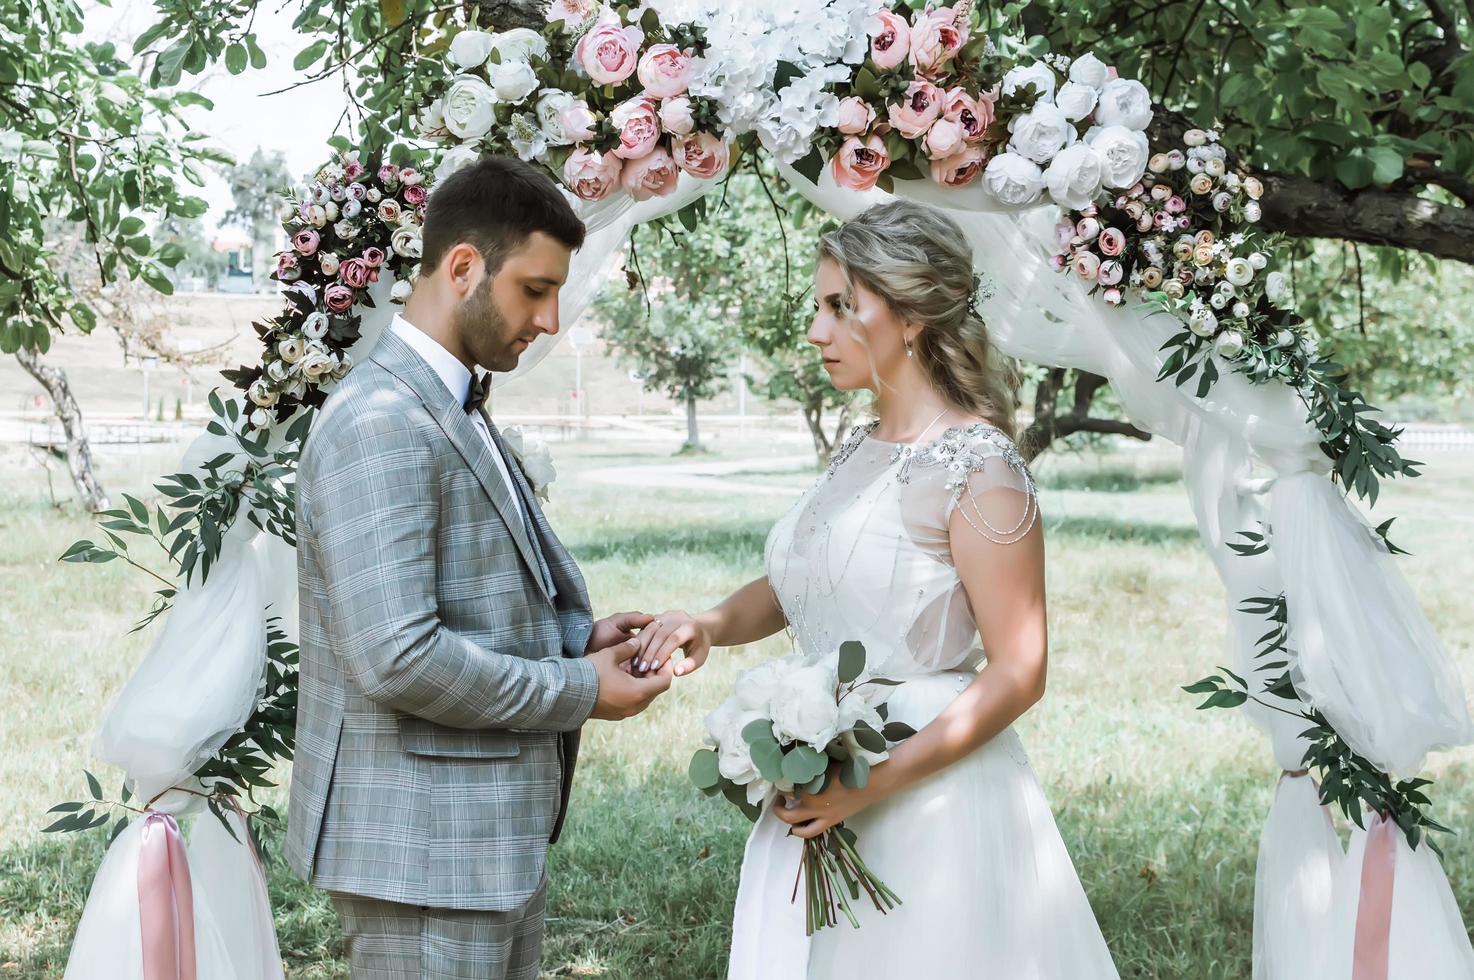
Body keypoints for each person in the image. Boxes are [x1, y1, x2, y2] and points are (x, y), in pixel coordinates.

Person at [632, 199, 1119, 978]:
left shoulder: (979, 469)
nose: (817, 331)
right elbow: (808, 584)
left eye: (840, 307)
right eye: (818, 308)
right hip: (823, 777)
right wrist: (712, 624)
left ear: (911, 315)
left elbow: (1020, 671)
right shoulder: (862, 446)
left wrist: (871, 787)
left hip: (928, 796)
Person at [286, 154, 672, 979]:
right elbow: (397, 655)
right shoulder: (381, 419)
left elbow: (465, 596)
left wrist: (576, 638)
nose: (552, 319)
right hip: (421, 851)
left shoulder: (447, 399)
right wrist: (582, 692)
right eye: (535, 289)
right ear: (464, 266)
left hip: (480, 844)